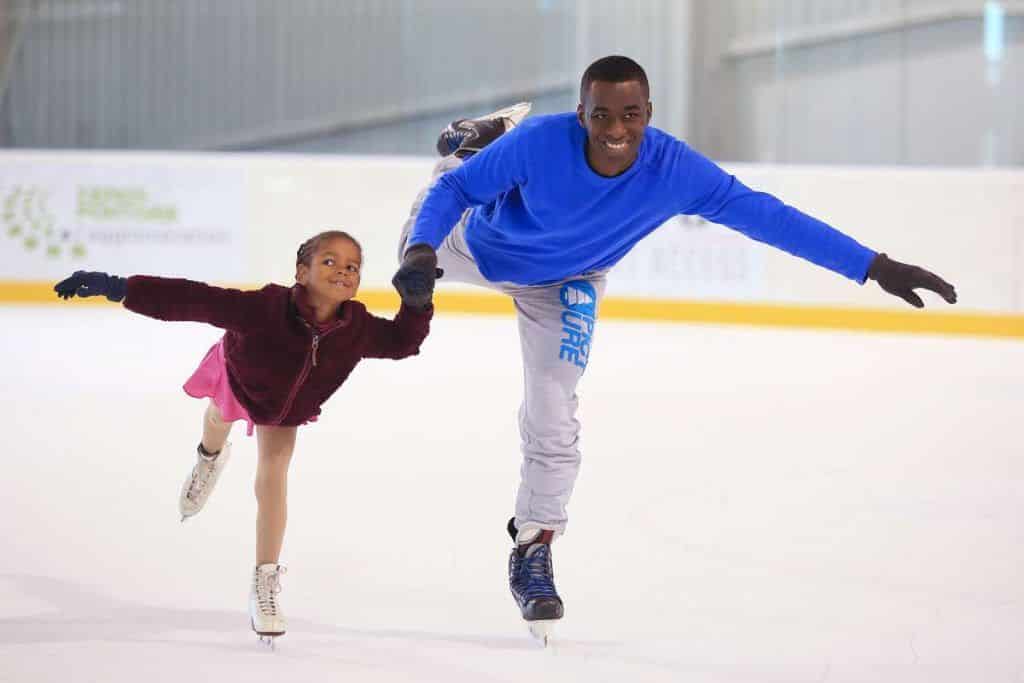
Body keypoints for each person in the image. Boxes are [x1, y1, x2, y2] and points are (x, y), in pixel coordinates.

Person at [390, 56, 957, 643]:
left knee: (554, 411)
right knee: (428, 212)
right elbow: (457, 194)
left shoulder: (674, 169)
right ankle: (467, 144)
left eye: (631, 115)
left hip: (569, 282)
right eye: (601, 115)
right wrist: (422, 251)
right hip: (475, 247)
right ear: (580, 113)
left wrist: (873, 266)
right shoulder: (541, 142)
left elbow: (768, 217)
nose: (616, 129)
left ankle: (534, 545)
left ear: (650, 114)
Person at [55, 230, 435, 644]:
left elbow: (401, 343)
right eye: (329, 261)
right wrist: (120, 287)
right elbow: (193, 300)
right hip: (239, 378)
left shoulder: (356, 328)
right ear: (301, 271)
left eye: (352, 266)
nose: (342, 270)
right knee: (218, 419)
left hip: (286, 410)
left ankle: (265, 581)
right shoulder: (264, 308)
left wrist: (417, 305)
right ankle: (209, 458)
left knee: (274, 478)